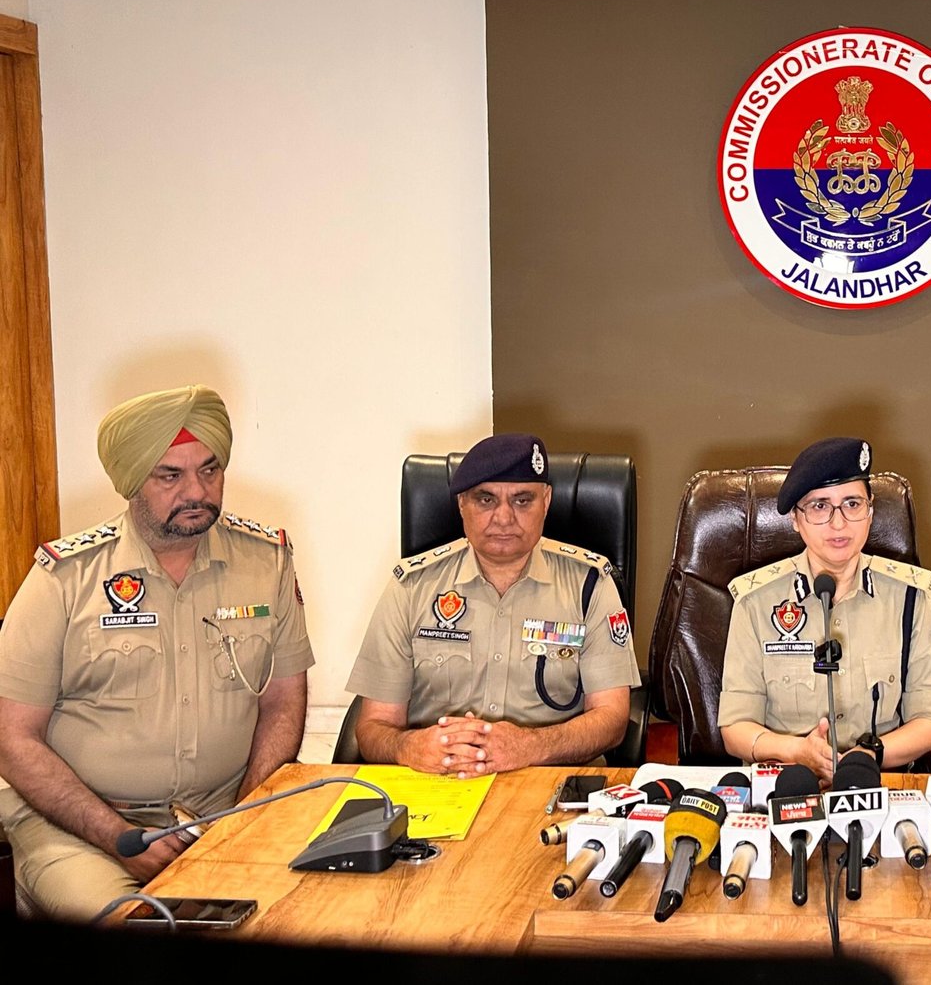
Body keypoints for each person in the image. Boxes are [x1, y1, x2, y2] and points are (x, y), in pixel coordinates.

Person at [0, 385, 313, 920]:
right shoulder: (65, 579)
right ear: (131, 481)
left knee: (316, 912)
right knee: (136, 926)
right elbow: (12, 738)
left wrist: (243, 817)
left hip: (226, 811)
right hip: (81, 827)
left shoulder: (268, 563)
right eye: (170, 476)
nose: (197, 491)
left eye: (210, 470)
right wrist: (116, 833)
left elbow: (283, 702)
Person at [346, 433, 638, 775]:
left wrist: (530, 746)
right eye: (486, 500)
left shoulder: (591, 585)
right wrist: (408, 747)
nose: (503, 517)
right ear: (461, 504)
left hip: (550, 779)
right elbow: (374, 727)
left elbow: (612, 718)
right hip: (436, 781)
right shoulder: (411, 587)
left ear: (546, 501)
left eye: (522, 500)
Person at [719, 437, 931, 784]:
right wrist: (795, 751)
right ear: (795, 519)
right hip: (786, 785)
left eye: (852, 504)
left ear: (870, 512)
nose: (838, 524)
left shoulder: (909, 597)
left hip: (878, 785)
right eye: (819, 507)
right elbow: (735, 728)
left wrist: (870, 756)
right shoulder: (756, 602)